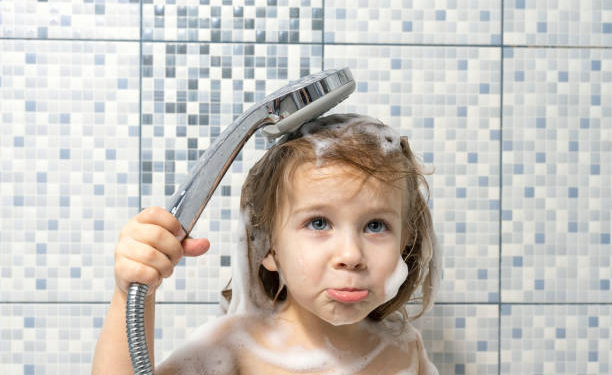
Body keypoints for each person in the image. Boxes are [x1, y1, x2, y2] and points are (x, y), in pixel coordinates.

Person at [92, 113, 441, 374]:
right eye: (318, 223)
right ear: (268, 247)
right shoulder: (235, 350)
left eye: (376, 226)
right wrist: (130, 296)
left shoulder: (404, 348)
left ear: (405, 241)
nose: (350, 255)